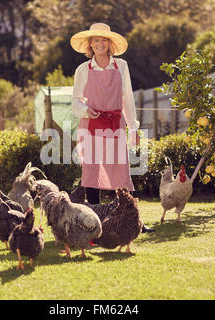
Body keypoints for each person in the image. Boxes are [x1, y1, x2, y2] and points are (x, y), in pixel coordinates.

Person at [70, 22, 154, 233]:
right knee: (92, 171)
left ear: (110, 44)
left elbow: (127, 100)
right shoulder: (83, 70)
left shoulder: (121, 66)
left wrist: (133, 128)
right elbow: (76, 101)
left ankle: (132, 221)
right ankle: (93, 221)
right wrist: (86, 110)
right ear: (90, 44)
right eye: (96, 40)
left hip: (115, 124)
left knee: (120, 172)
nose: (100, 44)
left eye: (104, 40)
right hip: (91, 123)